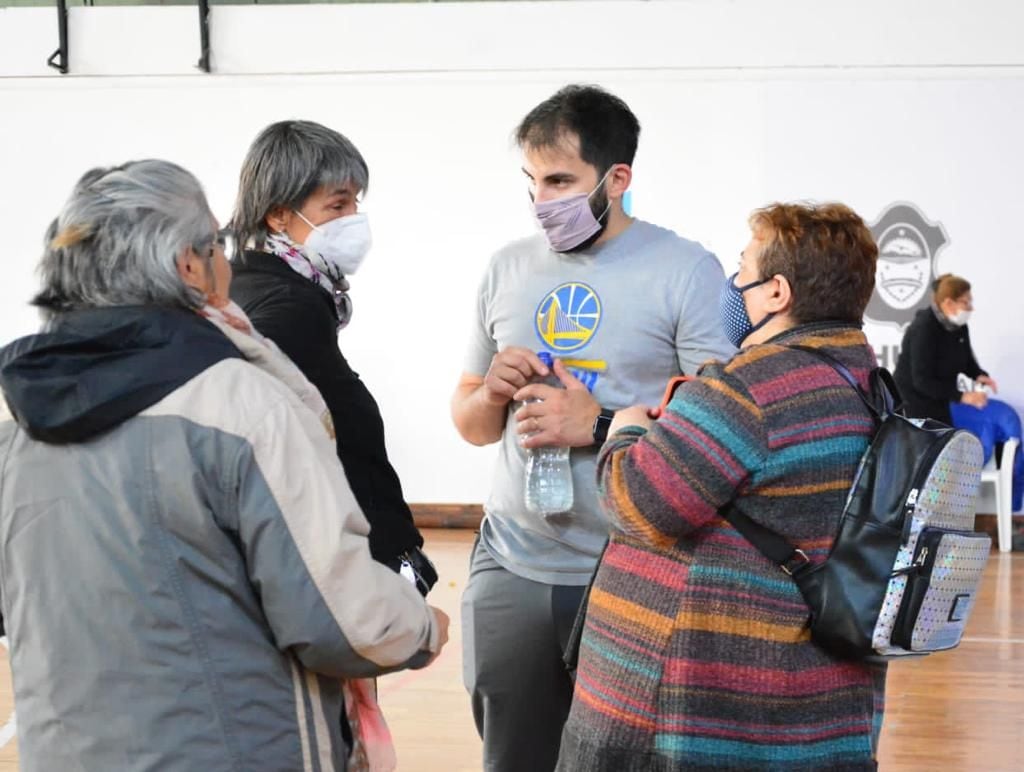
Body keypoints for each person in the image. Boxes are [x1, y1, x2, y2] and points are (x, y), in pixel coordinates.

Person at [0, 160, 448, 771]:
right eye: (217, 244)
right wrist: (420, 624)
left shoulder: (14, 417)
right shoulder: (240, 406)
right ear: (188, 265)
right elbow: (339, 619)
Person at [451, 84, 734, 772]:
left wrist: (602, 423)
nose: (542, 200)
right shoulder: (507, 268)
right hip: (511, 561)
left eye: (560, 181)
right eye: (531, 182)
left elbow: (722, 431)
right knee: (511, 756)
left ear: (617, 179)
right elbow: (469, 423)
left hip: (634, 566)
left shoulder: (687, 272)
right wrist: (489, 392)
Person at [555, 202, 887, 771]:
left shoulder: (748, 387)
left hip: (700, 697)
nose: (734, 285)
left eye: (743, 269)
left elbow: (638, 503)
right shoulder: (870, 386)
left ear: (777, 291)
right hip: (818, 696)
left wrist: (625, 430)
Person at [229, 120, 436, 593]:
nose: (354, 220)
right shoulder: (287, 307)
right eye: (337, 205)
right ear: (280, 216)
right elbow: (298, 456)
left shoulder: (256, 283)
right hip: (330, 576)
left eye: (355, 203)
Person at [893, 273, 997, 426]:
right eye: (965, 302)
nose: (971, 308)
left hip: (938, 400)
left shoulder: (960, 326)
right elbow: (922, 381)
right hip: (912, 404)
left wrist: (979, 375)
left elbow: (966, 359)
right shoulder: (924, 328)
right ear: (948, 303)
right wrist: (963, 396)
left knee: (946, 441)